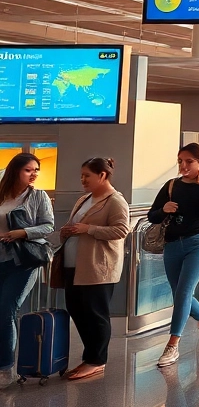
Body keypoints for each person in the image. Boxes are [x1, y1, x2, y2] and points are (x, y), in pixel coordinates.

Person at [147, 143, 199, 368]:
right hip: (172, 245)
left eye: (189, 161)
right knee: (179, 293)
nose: (183, 166)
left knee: (183, 291)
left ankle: (172, 345)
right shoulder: (172, 185)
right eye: (180, 161)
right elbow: (153, 215)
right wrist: (164, 210)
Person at [59, 157, 130, 381]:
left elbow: (121, 230)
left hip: (97, 267)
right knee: (76, 309)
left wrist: (89, 229)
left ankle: (97, 360)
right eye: (81, 175)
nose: (82, 180)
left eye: (87, 175)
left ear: (102, 175)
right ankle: (89, 357)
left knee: (95, 313)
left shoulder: (115, 201)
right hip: (75, 265)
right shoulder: (84, 199)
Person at [0, 153, 54, 386]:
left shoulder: (38, 196)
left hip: (25, 261)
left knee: (6, 309)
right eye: (28, 170)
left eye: (36, 170)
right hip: (1, 260)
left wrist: (22, 233)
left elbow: (48, 226)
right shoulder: (2, 195)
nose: (33, 175)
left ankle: (6, 368)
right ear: (15, 171)